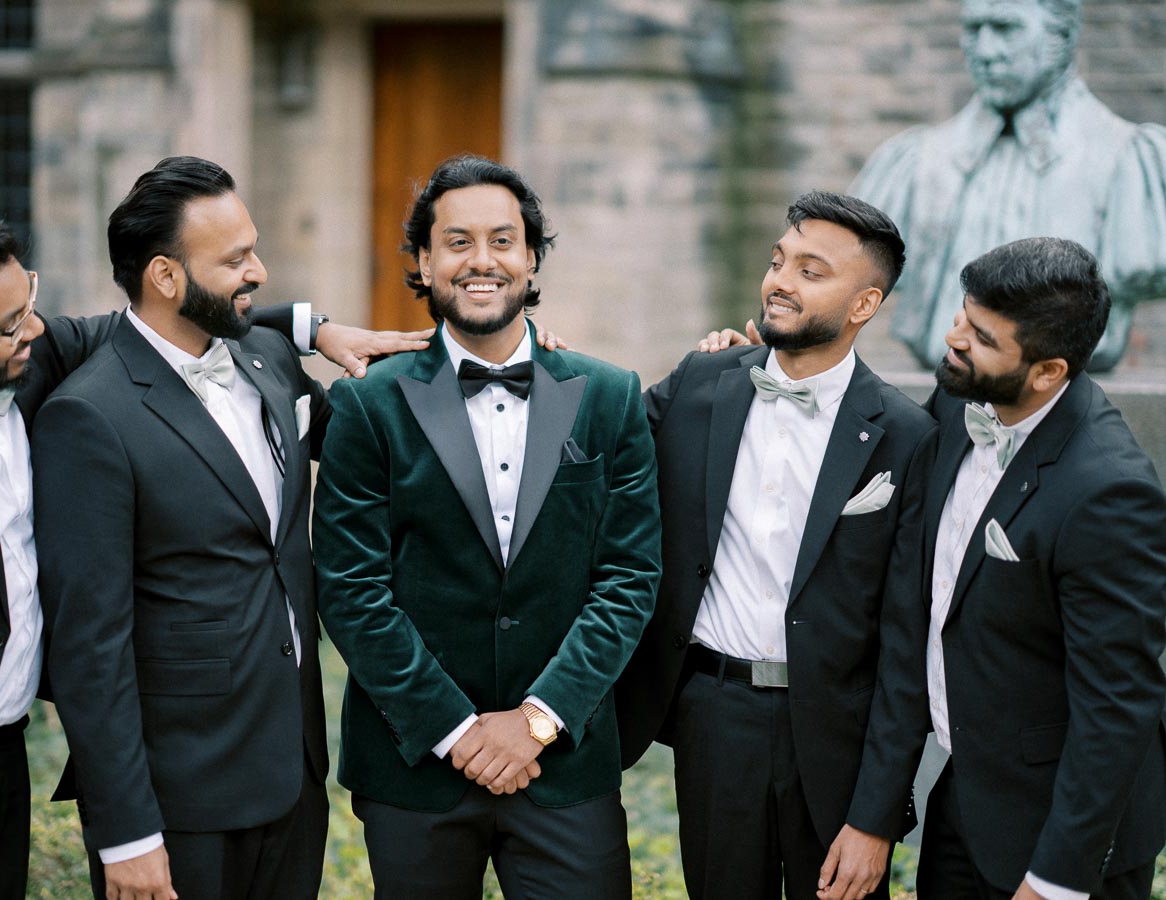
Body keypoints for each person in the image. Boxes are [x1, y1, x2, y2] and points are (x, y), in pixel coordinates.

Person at [0, 193, 426, 900]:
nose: (36, 329)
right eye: (12, 324)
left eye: (32, 300)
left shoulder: (20, 351)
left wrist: (307, 328)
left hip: (1, 766)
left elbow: (148, 324)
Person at [311, 155, 662, 899]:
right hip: (416, 768)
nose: (482, 261)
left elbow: (629, 578)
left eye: (503, 241)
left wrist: (537, 719)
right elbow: (350, 588)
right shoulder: (367, 405)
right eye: (458, 241)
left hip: (564, 765)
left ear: (531, 260)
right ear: (426, 260)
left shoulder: (609, 395)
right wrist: (459, 731)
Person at [31, 155, 360, 900]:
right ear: (166, 277)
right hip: (177, 805)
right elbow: (91, 647)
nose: (261, 272)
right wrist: (126, 834)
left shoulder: (269, 358)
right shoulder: (89, 417)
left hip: (293, 775)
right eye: (236, 259)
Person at [614, 191, 936, 900]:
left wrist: (878, 817)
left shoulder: (908, 435)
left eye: (811, 271)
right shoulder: (701, 383)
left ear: (863, 305)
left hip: (837, 735)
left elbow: (906, 641)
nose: (780, 281)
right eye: (777, 260)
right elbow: (597, 444)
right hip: (713, 713)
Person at [916, 237, 1166, 900]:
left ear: (1048, 372)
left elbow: (1117, 706)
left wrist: (1058, 878)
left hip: (1063, 840)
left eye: (980, 335)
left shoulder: (1109, 492)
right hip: (964, 800)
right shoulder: (959, 399)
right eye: (962, 315)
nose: (953, 337)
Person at [852, 0, 1166, 371]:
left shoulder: (1130, 160)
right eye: (974, 29)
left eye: (1005, 28)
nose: (984, 51)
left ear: (1061, 36)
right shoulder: (914, 161)